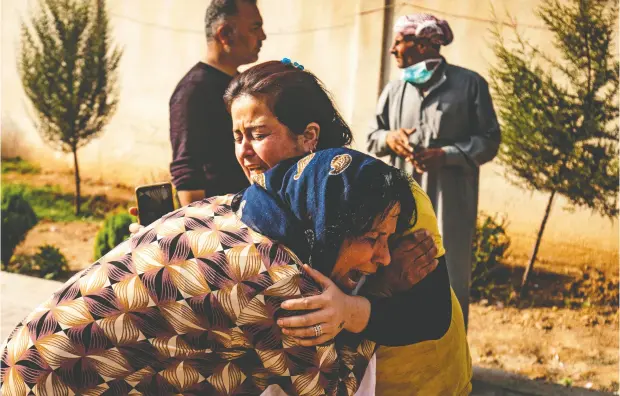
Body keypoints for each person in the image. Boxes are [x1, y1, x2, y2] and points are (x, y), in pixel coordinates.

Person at [0, 148, 464, 395]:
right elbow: (325, 389)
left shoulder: (237, 206)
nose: (381, 257)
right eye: (372, 239)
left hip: (30, 353)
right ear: (329, 226)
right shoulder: (284, 282)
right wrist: (377, 295)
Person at [367, 13, 501, 328]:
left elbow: (489, 140)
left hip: (451, 203)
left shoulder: (470, 85)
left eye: (400, 41)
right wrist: (390, 138)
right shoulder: (394, 90)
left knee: (451, 274)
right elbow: (373, 136)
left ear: (426, 43)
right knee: (398, 268)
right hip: (401, 202)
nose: (393, 49)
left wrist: (448, 155)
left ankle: (451, 357)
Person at [169, 0, 266, 206]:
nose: (263, 36)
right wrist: (197, 229)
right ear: (225, 34)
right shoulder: (193, 91)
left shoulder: (242, 84)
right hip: (220, 221)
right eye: (255, 28)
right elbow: (187, 170)